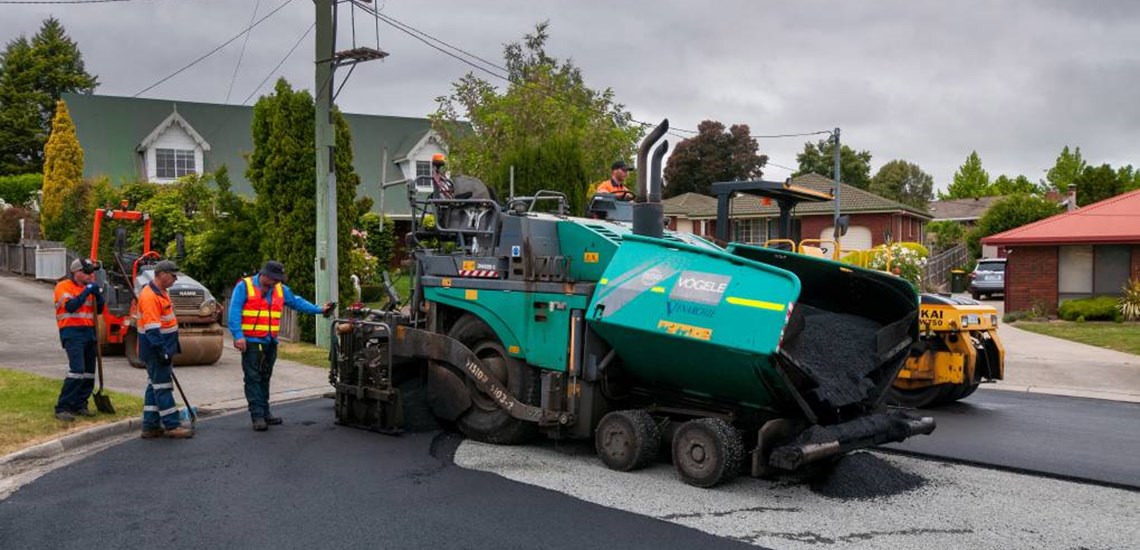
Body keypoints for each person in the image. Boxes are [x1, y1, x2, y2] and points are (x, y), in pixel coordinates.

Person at [228, 260, 335, 431]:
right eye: (275, 279)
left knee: (265, 377)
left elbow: (297, 302)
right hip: (252, 342)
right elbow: (234, 311)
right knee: (253, 378)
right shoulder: (245, 286)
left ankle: (265, 412)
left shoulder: (280, 289)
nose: (277, 282)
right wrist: (238, 335)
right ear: (264, 275)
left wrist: (319, 310)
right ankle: (257, 416)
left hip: (270, 342)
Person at [138, 260, 194, 439]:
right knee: (163, 386)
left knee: (153, 386)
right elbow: (152, 329)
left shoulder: (161, 293)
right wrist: (162, 351)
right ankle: (172, 425)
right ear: (161, 274)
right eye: (173, 275)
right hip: (156, 350)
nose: (175, 279)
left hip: (162, 348)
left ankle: (151, 425)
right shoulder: (149, 297)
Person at [53, 258, 106, 422]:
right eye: (88, 272)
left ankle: (80, 404)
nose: (91, 275)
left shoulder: (88, 289)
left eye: (92, 272)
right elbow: (71, 306)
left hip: (89, 332)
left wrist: (98, 295)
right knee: (77, 370)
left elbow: (99, 310)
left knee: (89, 373)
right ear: (77, 272)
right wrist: (87, 291)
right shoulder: (63, 287)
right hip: (72, 333)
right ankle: (63, 407)